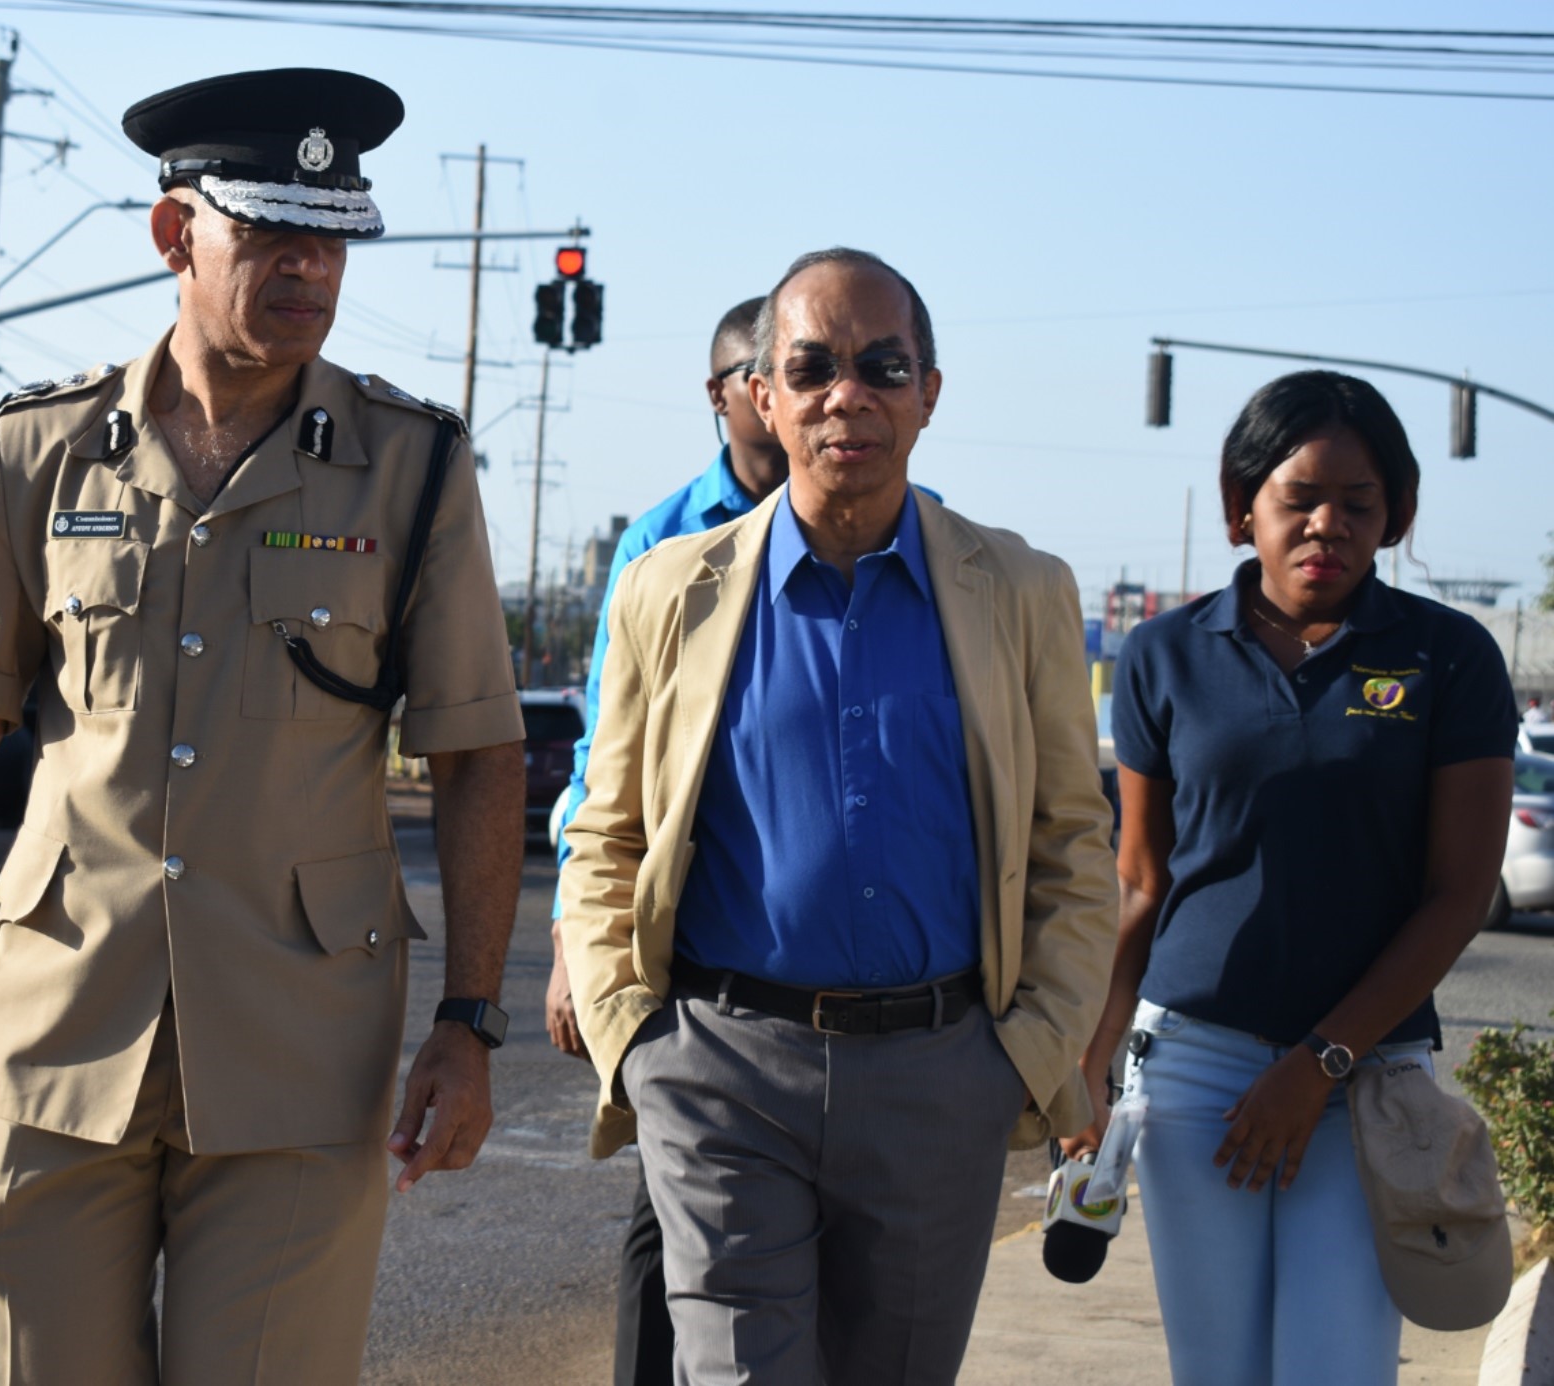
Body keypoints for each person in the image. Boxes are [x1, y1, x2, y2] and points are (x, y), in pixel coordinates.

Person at [0, 67, 527, 1385]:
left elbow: (479, 751)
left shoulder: (411, 462)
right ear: (173, 236)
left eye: (330, 240)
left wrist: (469, 1021)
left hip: (296, 1045)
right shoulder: (43, 449)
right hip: (55, 1025)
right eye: (269, 232)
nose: (308, 269)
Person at [559, 247, 1117, 1385]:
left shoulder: (1021, 592)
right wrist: (637, 1040)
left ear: (929, 396)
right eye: (810, 367)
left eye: (882, 366)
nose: (844, 395)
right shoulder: (670, 588)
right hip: (719, 1078)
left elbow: (1073, 839)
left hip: (941, 1081)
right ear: (761, 394)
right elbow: (607, 828)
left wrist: (1023, 1057)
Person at [1066, 371, 1515, 1386]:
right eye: (1298, 498)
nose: (1328, 526)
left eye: (1360, 505)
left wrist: (1319, 1062)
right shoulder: (1163, 655)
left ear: (1396, 515)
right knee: (1216, 1370)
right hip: (1194, 1077)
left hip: (1371, 1081)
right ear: (1242, 507)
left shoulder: (1449, 657)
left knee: (1336, 1367)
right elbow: (1141, 880)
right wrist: (1092, 1058)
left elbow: (1458, 896)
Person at [542, 294, 780, 1386]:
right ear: (722, 393)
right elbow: (607, 750)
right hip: (690, 927)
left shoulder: (901, 525)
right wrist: (570, 946)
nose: (786, 396)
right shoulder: (663, 539)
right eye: (761, 374)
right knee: (667, 1200)